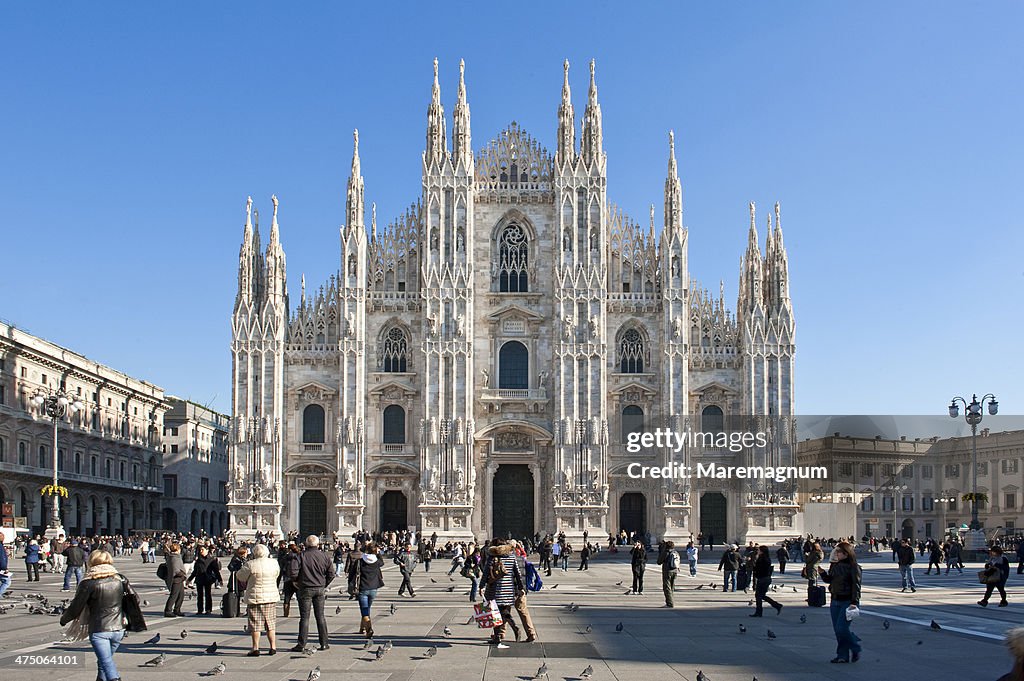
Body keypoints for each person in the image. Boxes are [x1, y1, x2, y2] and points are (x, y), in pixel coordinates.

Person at [59, 550, 146, 681]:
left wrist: (64, 620)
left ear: (91, 562)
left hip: (99, 629)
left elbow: (76, 607)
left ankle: (114, 679)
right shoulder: (120, 579)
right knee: (104, 661)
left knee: (106, 662)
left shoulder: (88, 583)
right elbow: (136, 600)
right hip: (119, 629)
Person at [288, 535, 335, 651]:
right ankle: (324, 643)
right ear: (318, 544)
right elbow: (331, 574)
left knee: (305, 618)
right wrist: (324, 584)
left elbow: (293, 573)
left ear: (306, 544)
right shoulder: (324, 556)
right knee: (321, 617)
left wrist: (296, 583)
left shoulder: (301, 556)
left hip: (305, 589)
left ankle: (301, 644)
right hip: (319, 589)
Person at [817, 541, 862, 663]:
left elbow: (856, 586)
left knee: (842, 628)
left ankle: (855, 647)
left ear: (846, 554)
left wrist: (854, 602)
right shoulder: (835, 566)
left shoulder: (854, 567)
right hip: (835, 600)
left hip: (848, 601)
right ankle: (842, 655)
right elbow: (829, 580)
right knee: (838, 630)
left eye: (839, 552)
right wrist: (822, 573)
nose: (836, 555)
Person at [237, 543, 280, 656]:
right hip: (270, 597)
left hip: (255, 597)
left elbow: (240, 576)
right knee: (270, 623)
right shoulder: (274, 563)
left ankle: (255, 648)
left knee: (255, 624)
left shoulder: (250, 564)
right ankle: (273, 647)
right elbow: (277, 574)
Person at [482, 539, 525, 648]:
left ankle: (514, 628)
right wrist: (520, 587)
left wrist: (481, 586)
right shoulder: (511, 557)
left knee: (495, 613)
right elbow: (517, 574)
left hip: (494, 590)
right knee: (502, 611)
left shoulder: (492, 557)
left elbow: (486, 573)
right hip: (508, 590)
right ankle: (498, 637)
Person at [348, 542, 385, 639]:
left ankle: (369, 630)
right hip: (373, 589)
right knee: (367, 608)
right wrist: (378, 552)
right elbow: (382, 562)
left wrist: (350, 585)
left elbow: (352, 574)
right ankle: (362, 628)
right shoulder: (377, 562)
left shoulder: (359, 561)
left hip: (363, 589)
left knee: (364, 611)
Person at [186, 545, 223, 615]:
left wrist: (220, 580)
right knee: (199, 595)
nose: (201, 551)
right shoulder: (198, 560)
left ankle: (208, 609)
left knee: (208, 594)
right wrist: (189, 579)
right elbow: (195, 571)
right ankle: (200, 609)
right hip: (199, 579)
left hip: (208, 579)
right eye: (200, 550)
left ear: (206, 550)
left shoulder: (211, 559)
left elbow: (216, 571)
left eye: (202, 550)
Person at [750, 545, 783, 617]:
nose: (757, 551)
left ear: (762, 551)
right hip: (765, 578)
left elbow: (760, 569)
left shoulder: (762, 559)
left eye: (759, 550)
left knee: (759, 595)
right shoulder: (765, 558)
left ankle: (760, 612)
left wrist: (755, 568)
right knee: (761, 595)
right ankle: (776, 605)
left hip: (763, 578)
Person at [161, 542, 186, 617]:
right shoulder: (174, 557)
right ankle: (168, 610)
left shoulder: (176, 556)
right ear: (177, 549)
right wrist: (182, 575)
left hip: (179, 579)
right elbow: (176, 570)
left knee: (181, 595)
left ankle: (177, 609)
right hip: (176, 579)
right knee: (174, 595)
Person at [657, 541, 680, 608]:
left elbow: (659, 562)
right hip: (675, 570)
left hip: (667, 571)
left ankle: (669, 603)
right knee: (672, 586)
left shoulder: (666, 552)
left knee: (667, 587)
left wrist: (661, 553)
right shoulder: (675, 552)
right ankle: (670, 600)